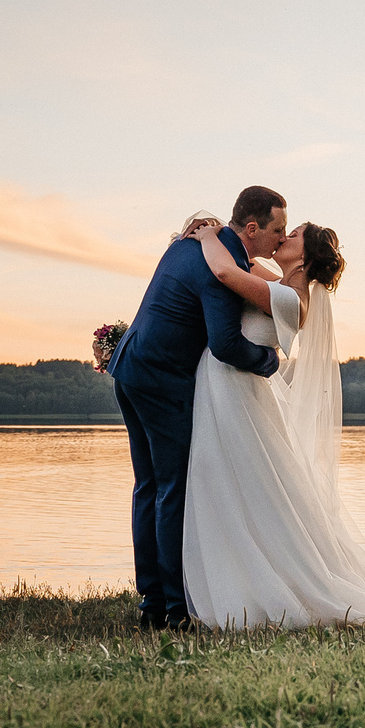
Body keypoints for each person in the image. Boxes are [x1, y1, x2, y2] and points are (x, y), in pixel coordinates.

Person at [178, 215, 365, 629]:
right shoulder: (280, 286)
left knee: (236, 488)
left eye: (292, 235)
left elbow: (227, 270)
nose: (282, 237)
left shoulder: (290, 299)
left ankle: (253, 589)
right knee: (230, 487)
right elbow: (242, 263)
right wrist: (208, 225)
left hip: (237, 396)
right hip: (228, 391)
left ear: (304, 259)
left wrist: (207, 236)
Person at [105, 186, 290, 629]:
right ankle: (172, 608)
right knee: (172, 489)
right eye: (277, 230)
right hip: (161, 380)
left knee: (148, 487)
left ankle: (150, 600)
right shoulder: (215, 264)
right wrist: (271, 361)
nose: (281, 240)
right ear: (252, 228)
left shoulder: (192, 243)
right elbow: (226, 344)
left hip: (129, 369)